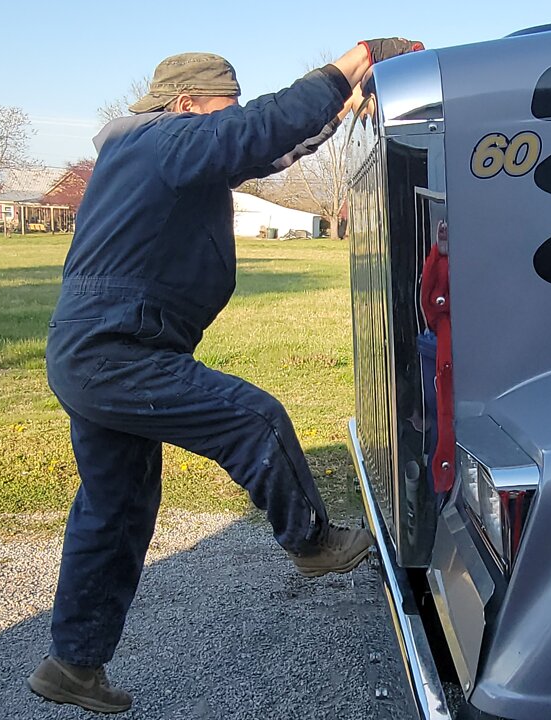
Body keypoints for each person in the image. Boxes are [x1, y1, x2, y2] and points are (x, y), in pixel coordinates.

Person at [27, 38, 424, 713]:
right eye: (223, 108)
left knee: (114, 510)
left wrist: (339, 110)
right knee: (254, 418)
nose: (229, 120)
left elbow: (264, 150)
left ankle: (73, 666)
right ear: (186, 105)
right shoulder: (164, 140)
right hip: (115, 351)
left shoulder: (152, 149)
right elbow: (256, 130)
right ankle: (310, 542)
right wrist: (351, 63)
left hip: (95, 350)